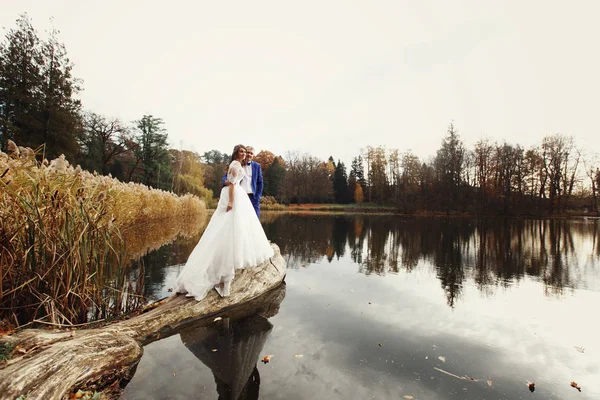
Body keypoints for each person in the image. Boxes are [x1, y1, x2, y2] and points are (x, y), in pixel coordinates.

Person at [176, 144, 274, 301]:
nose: (244, 154)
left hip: (245, 198)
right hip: (234, 197)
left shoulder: (253, 166)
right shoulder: (235, 164)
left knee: (241, 229)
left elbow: (257, 182)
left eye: (246, 152)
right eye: (242, 151)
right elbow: (231, 182)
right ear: (236, 153)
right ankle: (225, 281)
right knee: (228, 230)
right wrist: (230, 201)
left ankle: (227, 279)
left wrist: (256, 196)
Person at [222, 145, 263, 218]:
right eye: (247, 152)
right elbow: (226, 176)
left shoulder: (257, 166)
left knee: (255, 219)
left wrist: (257, 196)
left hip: (253, 197)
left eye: (251, 153)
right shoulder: (238, 163)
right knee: (240, 218)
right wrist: (225, 181)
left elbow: (260, 182)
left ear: (253, 155)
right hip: (238, 196)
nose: (249, 154)